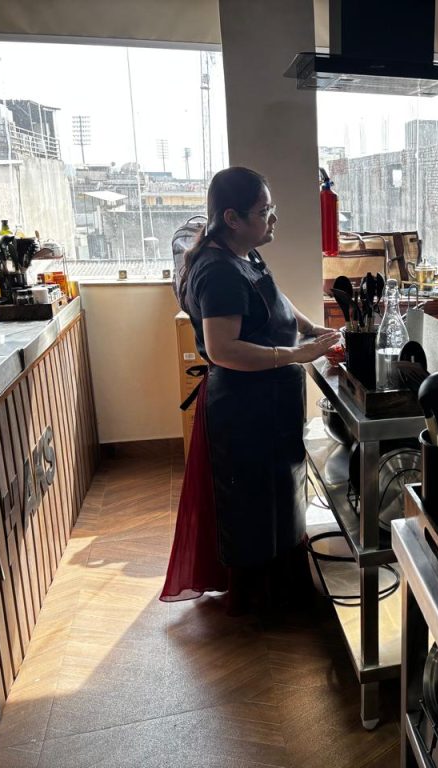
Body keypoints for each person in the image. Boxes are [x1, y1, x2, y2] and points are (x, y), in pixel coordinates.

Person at [161, 167, 340, 612]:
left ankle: (285, 587)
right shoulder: (218, 271)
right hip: (245, 409)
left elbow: (275, 298)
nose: (273, 218)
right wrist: (296, 353)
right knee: (253, 504)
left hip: (271, 404)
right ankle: (261, 603)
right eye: (264, 211)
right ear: (232, 218)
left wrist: (309, 328)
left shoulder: (243, 252)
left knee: (281, 493)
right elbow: (223, 350)